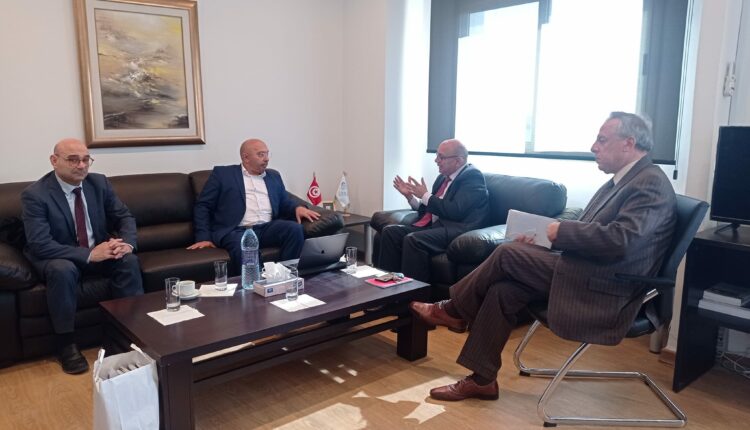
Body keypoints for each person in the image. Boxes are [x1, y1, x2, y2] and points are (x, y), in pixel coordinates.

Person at [409, 112, 677, 401]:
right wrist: (543, 241)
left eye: (602, 140)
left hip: (608, 288)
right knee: (503, 290)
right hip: (583, 270)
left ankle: (452, 310)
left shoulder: (649, 183)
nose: (593, 147)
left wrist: (562, 231)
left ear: (629, 143)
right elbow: (596, 235)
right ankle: (482, 380)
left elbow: (623, 240)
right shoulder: (620, 182)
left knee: (507, 254)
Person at [21, 138, 143, 375]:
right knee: (62, 270)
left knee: (128, 261)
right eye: (73, 160)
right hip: (59, 255)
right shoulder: (35, 195)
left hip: (97, 250)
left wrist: (127, 244)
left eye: (86, 159)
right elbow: (40, 244)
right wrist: (89, 255)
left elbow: (124, 217)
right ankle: (66, 345)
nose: (82, 165)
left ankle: (126, 335)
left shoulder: (99, 183)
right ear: (54, 161)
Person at [188, 138, 320, 275]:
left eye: (267, 154)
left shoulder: (273, 176)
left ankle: (287, 276)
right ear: (246, 157)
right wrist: (203, 237)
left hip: (266, 228)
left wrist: (297, 208)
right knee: (246, 244)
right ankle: (257, 283)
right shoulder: (223, 175)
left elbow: (284, 201)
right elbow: (203, 206)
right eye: (261, 154)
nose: (266, 159)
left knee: (294, 229)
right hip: (236, 231)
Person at [378, 139, 490, 282]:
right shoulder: (442, 178)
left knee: (413, 239)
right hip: (437, 226)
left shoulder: (472, 177)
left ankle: (414, 293)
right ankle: (386, 286)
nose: (436, 160)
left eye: (441, 157)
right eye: (437, 155)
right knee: (390, 232)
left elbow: (455, 211)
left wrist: (425, 195)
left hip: (458, 229)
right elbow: (430, 211)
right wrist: (410, 197)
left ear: (458, 161)